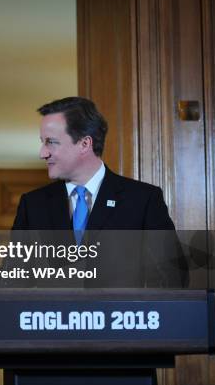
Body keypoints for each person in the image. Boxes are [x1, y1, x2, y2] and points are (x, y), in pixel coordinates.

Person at [11, 96, 187, 287]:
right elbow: (12, 281)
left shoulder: (143, 200)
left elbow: (172, 279)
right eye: (42, 142)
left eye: (51, 142)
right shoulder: (33, 204)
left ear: (85, 144)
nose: (42, 153)